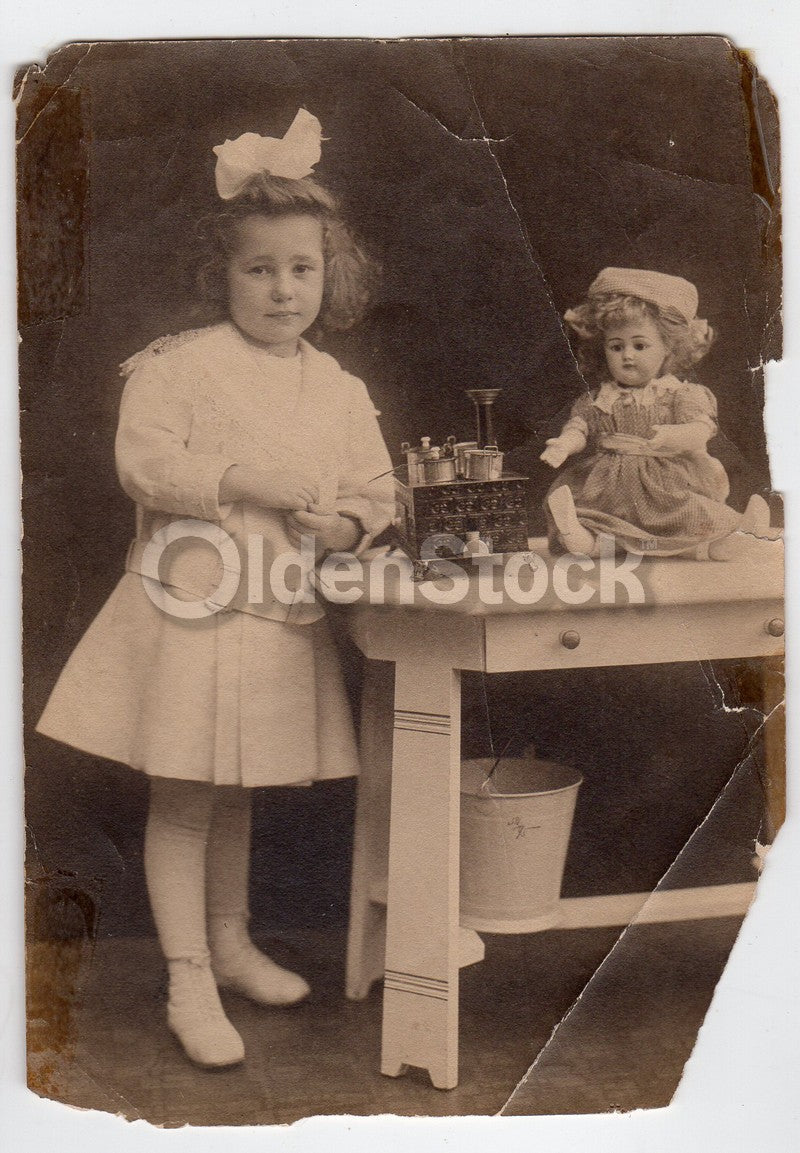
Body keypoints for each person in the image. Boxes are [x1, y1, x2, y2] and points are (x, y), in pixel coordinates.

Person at [37, 109, 395, 1068]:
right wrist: (242, 480)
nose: (284, 290)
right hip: (188, 611)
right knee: (188, 795)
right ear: (221, 275)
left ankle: (231, 942)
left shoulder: (339, 387)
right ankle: (187, 971)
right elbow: (144, 467)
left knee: (242, 792)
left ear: (332, 273)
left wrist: (351, 523)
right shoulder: (178, 368)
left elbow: (379, 484)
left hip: (279, 614)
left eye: (303, 269)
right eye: (260, 270)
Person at [540, 267, 769, 558]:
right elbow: (580, 428)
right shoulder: (598, 398)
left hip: (664, 485)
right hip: (609, 488)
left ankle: (722, 543)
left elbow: (701, 428)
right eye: (616, 346)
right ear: (602, 349)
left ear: (668, 349)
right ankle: (585, 540)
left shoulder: (680, 395)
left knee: (688, 511)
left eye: (640, 345)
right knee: (590, 510)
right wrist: (564, 444)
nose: (627, 355)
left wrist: (678, 435)